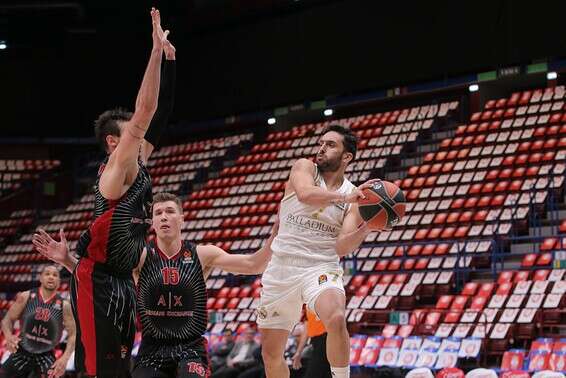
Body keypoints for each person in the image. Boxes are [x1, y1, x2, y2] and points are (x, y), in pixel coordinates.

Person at [31, 8, 176, 377]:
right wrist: (155, 52)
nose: (139, 135)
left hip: (118, 278)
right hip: (98, 280)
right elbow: (146, 111)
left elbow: (158, 119)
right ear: (115, 141)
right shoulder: (117, 170)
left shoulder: (137, 162)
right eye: (130, 133)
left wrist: (170, 64)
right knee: (99, 370)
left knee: (119, 367)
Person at [33, 192, 279, 378]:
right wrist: (66, 259)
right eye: (158, 212)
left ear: (182, 218)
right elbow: (96, 277)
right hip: (152, 348)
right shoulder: (140, 256)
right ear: (151, 222)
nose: (164, 216)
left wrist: (276, 235)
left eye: (170, 211)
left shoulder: (202, 255)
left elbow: (253, 264)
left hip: (190, 347)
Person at [257, 124, 379, 378]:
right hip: (282, 267)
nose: (322, 148)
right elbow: (304, 194)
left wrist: (367, 228)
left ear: (347, 157)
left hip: (321, 266)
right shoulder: (305, 168)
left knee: (335, 317)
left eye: (331, 144)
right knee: (271, 356)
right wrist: (347, 200)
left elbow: (342, 245)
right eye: (321, 143)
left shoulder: (352, 194)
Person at [0, 265, 76, 378]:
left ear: (59, 281)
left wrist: (65, 358)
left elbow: (73, 334)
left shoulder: (64, 306)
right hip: (21, 352)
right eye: (47, 274)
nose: (51, 277)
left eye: (55, 275)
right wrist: (9, 336)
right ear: (40, 278)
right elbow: (7, 320)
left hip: (46, 357)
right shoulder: (26, 296)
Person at [291, 310, 331, 378]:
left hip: (326, 338)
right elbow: (307, 327)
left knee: (313, 373)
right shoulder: (306, 305)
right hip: (316, 341)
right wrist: (299, 352)